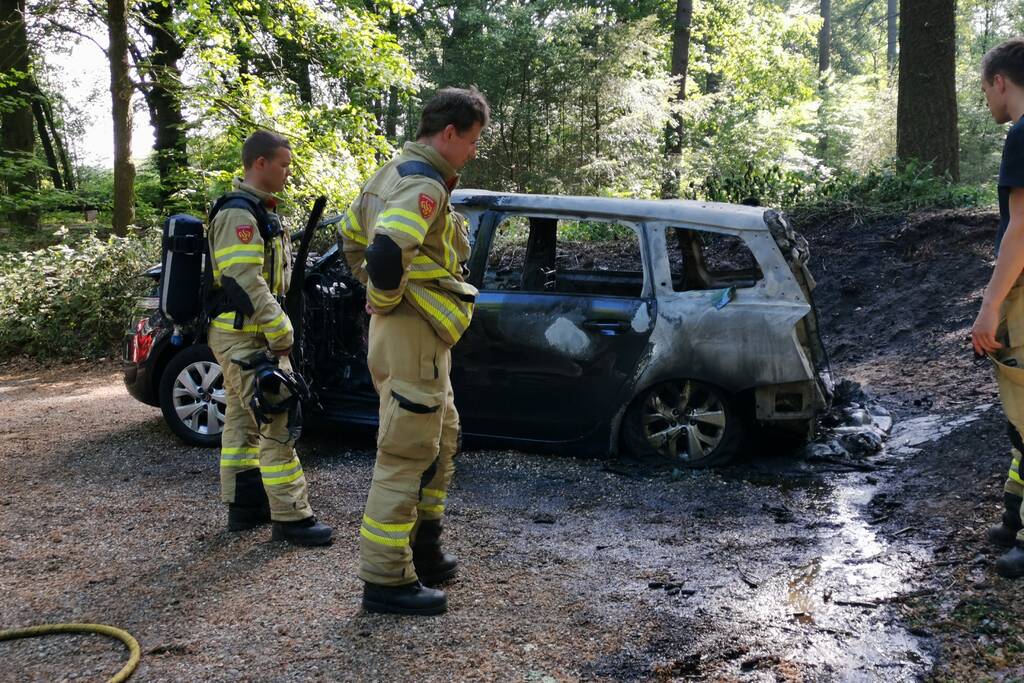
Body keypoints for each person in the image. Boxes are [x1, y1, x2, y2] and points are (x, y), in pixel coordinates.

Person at [338, 87, 489, 614]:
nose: (472, 152)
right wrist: (385, 299)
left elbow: (351, 239)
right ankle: (386, 580)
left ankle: (423, 547)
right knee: (406, 450)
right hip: (410, 331)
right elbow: (382, 254)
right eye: (471, 141)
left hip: (419, 334)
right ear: (449, 134)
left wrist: (381, 297)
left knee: (440, 438)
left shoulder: (391, 173)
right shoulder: (420, 183)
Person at [206, 129, 332, 546]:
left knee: (243, 424)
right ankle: (292, 518)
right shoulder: (240, 215)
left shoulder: (258, 211)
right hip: (247, 338)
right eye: (283, 164)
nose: (287, 172)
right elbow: (245, 282)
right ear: (260, 163)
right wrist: (281, 330)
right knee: (278, 420)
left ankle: (246, 508)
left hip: (243, 337)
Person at [971, 38, 1024, 577]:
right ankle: (1013, 518)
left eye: (985, 88)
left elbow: (1021, 230)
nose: (987, 99)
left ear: (1000, 82)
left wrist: (989, 305)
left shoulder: (1023, 134)